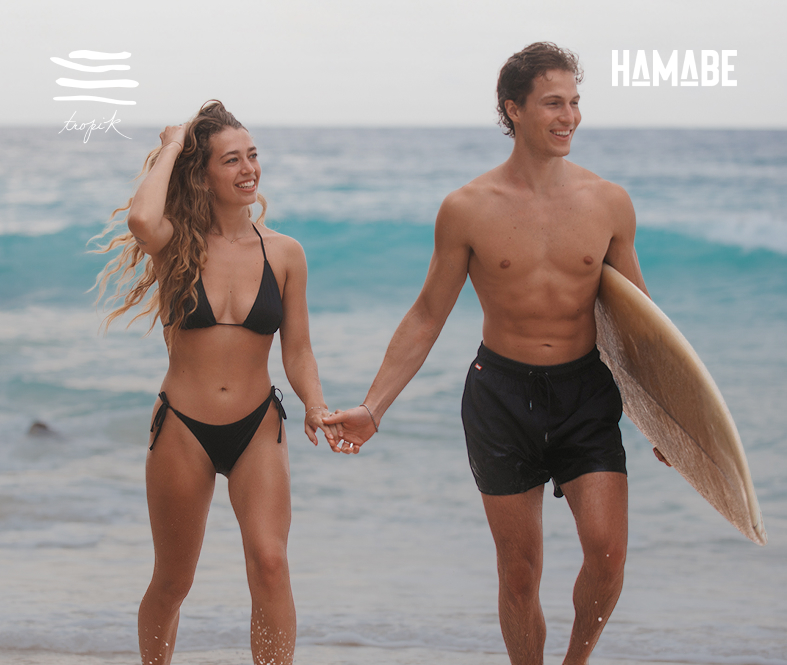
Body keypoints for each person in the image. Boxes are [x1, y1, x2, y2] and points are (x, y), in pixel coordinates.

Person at [324, 43, 663, 665]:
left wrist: (668, 421)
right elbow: (428, 313)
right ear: (514, 109)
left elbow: (642, 323)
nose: (570, 116)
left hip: (586, 392)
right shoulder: (467, 208)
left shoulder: (608, 202)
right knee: (519, 570)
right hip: (500, 395)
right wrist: (374, 408)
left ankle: (576, 660)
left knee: (607, 554)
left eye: (576, 102)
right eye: (553, 103)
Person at [94, 101, 339, 665]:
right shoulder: (176, 243)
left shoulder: (285, 253)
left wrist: (315, 404)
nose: (248, 168)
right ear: (203, 173)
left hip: (257, 426)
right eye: (231, 160)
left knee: (271, 563)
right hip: (183, 426)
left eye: (252, 155)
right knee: (173, 582)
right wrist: (175, 142)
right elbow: (139, 219)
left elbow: (297, 349)